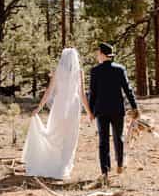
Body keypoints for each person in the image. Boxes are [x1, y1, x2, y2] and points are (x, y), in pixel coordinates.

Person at [22, 47, 93, 180]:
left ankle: (56, 165)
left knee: (55, 135)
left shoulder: (58, 71)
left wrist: (39, 108)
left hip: (59, 106)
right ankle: (63, 167)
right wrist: (89, 112)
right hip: (73, 106)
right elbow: (82, 95)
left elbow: (48, 92)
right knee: (70, 138)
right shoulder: (79, 72)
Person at [88, 42, 139, 183]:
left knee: (103, 141)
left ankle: (105, 172)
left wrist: (91, 111)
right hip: (117, 109)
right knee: (119, 137)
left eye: (98, 53)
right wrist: (135, 106)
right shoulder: (120, 69)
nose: (97, 55)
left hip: (101, 110)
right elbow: (128, 89)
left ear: (103, 55)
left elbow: (93, 93)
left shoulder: (95, 71)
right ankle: (120, 165)